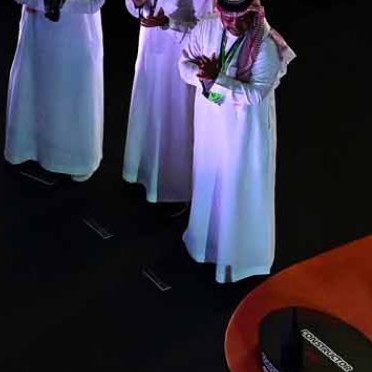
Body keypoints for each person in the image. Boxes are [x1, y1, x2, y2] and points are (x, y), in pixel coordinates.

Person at [178, 0, 294, 282]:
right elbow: (184, 62)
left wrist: (218, 81)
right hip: (210, 123)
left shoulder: (266, 45)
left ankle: (240, 261)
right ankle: (204, 246)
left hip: (244, 134)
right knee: (210, 180)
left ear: (252, 14)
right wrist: (204, 80)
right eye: (226, 18)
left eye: (238, 19)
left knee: (238, 190)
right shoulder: (207, 27)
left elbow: (254, 95)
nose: (231, 24)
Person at [5, 0, 107, 181]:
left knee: (73, 92)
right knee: (36, 86)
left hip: (78, 30)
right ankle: (30, 147)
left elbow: (94, 2)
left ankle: (75, 159)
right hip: (38, 27)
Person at [122, 1, 208, 202]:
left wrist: (169, 23)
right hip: (150, 49)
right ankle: (142, 171)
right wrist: (137, 4)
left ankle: (176, 190)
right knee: (148, 110)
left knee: (174, 115)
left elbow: (207, 28)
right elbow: (137, 9)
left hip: (179, 56)